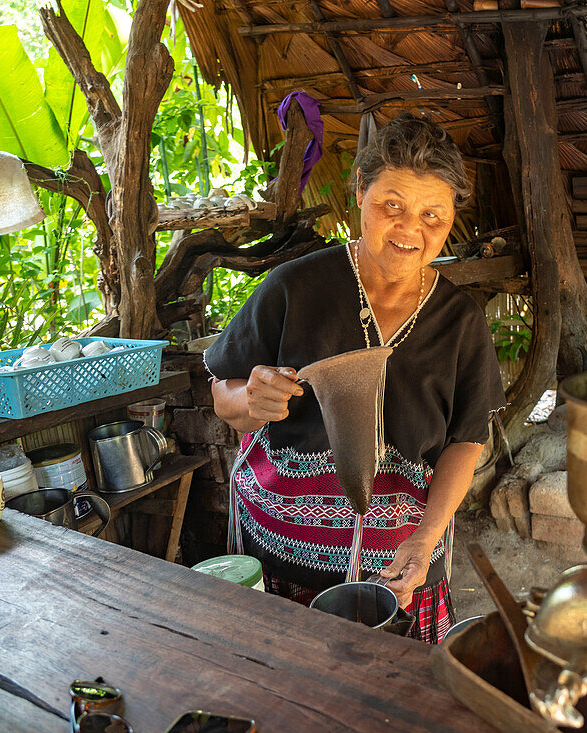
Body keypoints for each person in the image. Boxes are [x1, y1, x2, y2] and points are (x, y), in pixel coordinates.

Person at [205, 113, 507, 643]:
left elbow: (467, 439)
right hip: (281, 556)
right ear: (361, 194)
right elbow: (221, 395)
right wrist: (250, 397)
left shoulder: (460, 321)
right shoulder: (293, 288)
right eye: (392, 205)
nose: (411, 228)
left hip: (405, 561)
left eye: (432, 215)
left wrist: (426, 536)